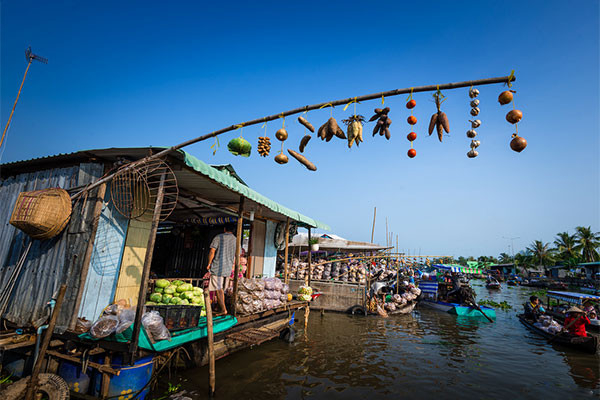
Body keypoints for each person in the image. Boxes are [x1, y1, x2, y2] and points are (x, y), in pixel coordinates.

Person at [205, 224, 237, 315]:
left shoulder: (218, 237)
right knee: (222, 289)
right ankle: (220, 308)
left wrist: (209, 263)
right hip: (228, 268)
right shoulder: (236, 240)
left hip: (218, 267)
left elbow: (212, 251)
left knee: (219, 289)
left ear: (224, 229)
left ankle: (223, 310)